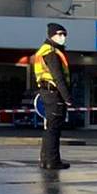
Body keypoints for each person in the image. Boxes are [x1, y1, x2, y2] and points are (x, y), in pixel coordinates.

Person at [32, 23, 72, 170]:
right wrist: (67, 97)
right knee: (54, 129)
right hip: (54, 93)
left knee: (50, 128)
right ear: (51, 35)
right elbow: (58, 76)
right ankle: (52, 161)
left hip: (46, 92)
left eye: (64, 34)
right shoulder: (51, 52)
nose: (62, 38)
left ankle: (46, 159)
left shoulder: (43, 50)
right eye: (59, 34)